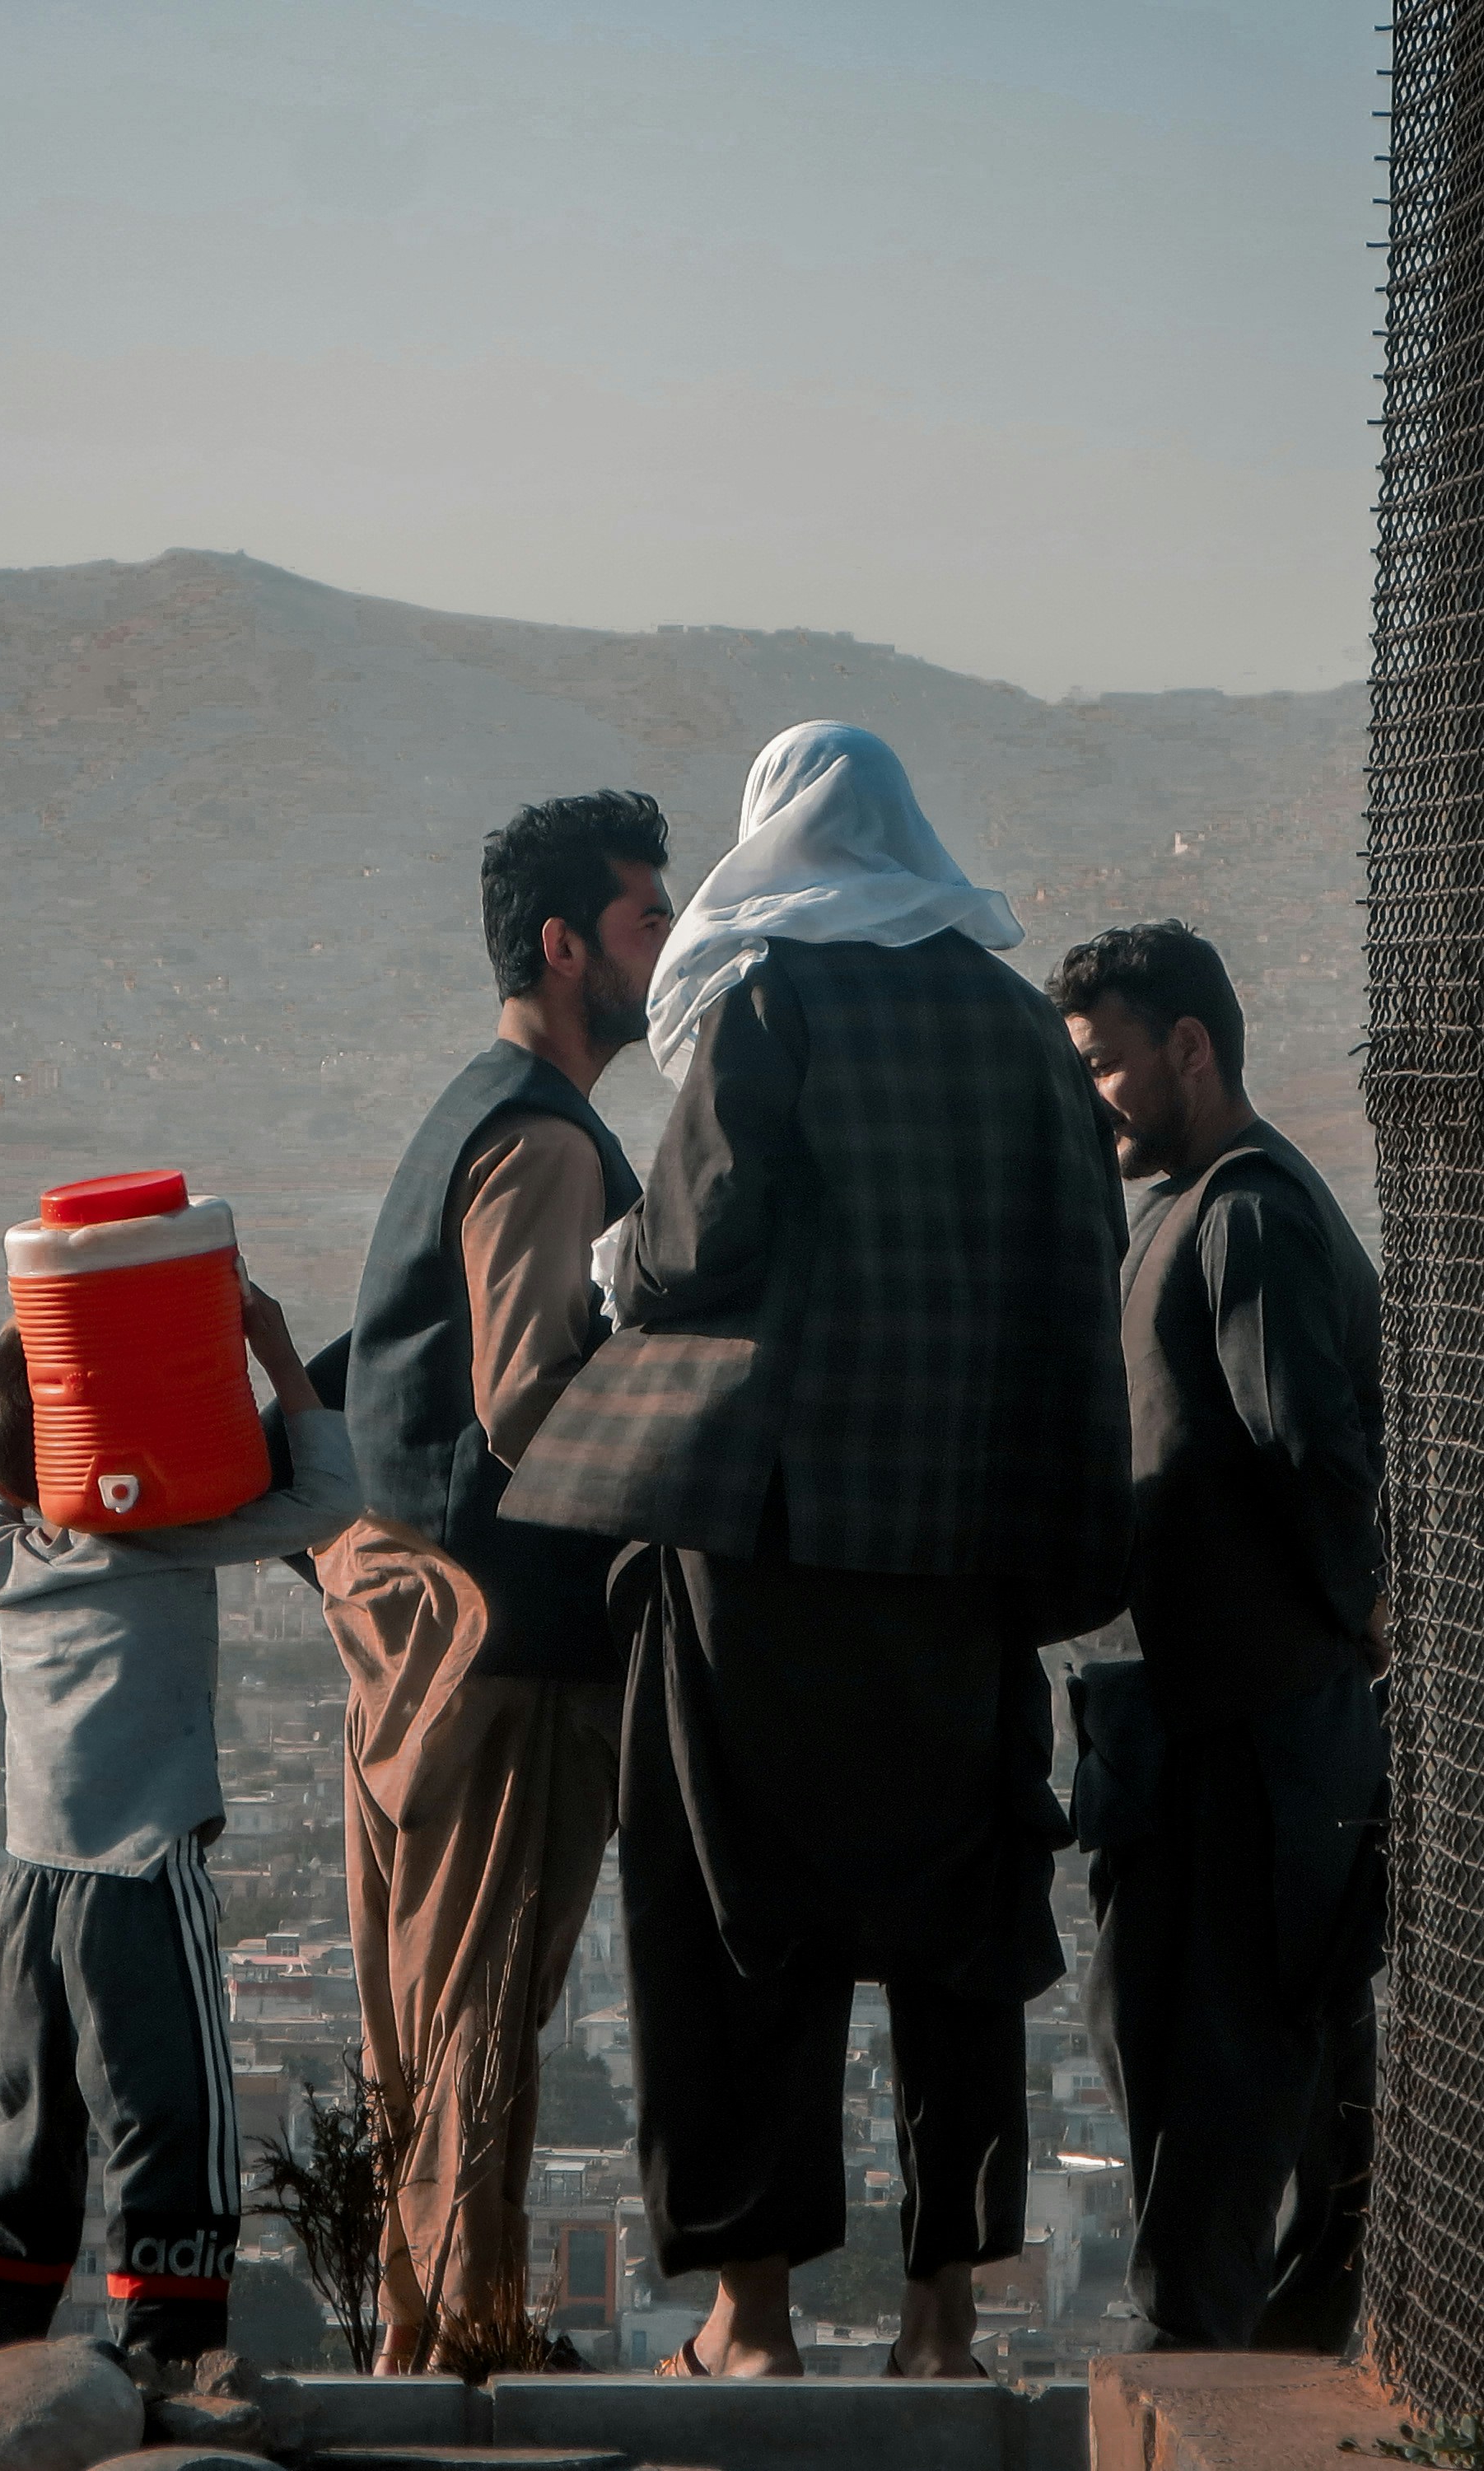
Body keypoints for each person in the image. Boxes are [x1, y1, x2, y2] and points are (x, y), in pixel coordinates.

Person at [502, 722, 1132, 2379]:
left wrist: (622, 1262)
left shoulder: (774, 1001)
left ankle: (752, 2316)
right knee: (957, 1938)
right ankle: (939, 2325)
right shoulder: (1020, 1033)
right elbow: (1082, 1280)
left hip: (763, 1553)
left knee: (735, 1920)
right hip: (961, 1555)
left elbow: (696, 1246)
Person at [320, 789, 674, 2368]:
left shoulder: (466, 1113)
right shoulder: (540, 1141)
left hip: (413, 1634)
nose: (663, 950)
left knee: (426, 2006)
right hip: (511, 1644)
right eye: (642, 920)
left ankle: (417, 2332)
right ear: (561, 945)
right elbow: (531, 1397)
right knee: (480, 2005)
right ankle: (466, 2335)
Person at [1048, 919, 1388, 2353]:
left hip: (1250, 1748)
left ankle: (1218, 2387)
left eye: (1108, 1064)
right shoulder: (1186, 1212)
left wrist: (1346, 1625)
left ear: (1189, 1049)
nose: (1095, 1097)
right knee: (1188, 2066)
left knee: (1222, 2080)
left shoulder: (1243, 1213)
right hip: (1199, 1735)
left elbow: (1309, 1450)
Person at [0, 1284, 356, 2369]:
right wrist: (271, 1343)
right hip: (137, 1871)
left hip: (26, 1890)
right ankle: (172, 2344)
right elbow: (327, 1499)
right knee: (171, 2111)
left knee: (33, 2122)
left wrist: (36, 1324)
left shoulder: (5, 1556)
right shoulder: (162, 1536)